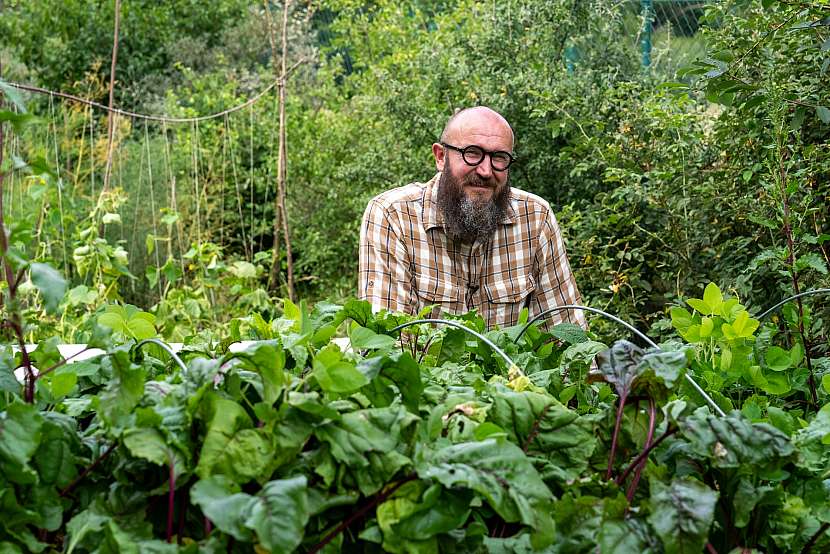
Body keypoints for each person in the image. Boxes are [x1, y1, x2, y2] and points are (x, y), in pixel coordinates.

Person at [358, 106, 585, 330]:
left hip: (512, 369)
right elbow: (386, 345)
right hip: (420, 368)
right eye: (472, 153)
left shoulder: (535, 218)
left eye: (499, 157)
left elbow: (565, 335)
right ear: (440, 156)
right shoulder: (393, 216)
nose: (486, 171)